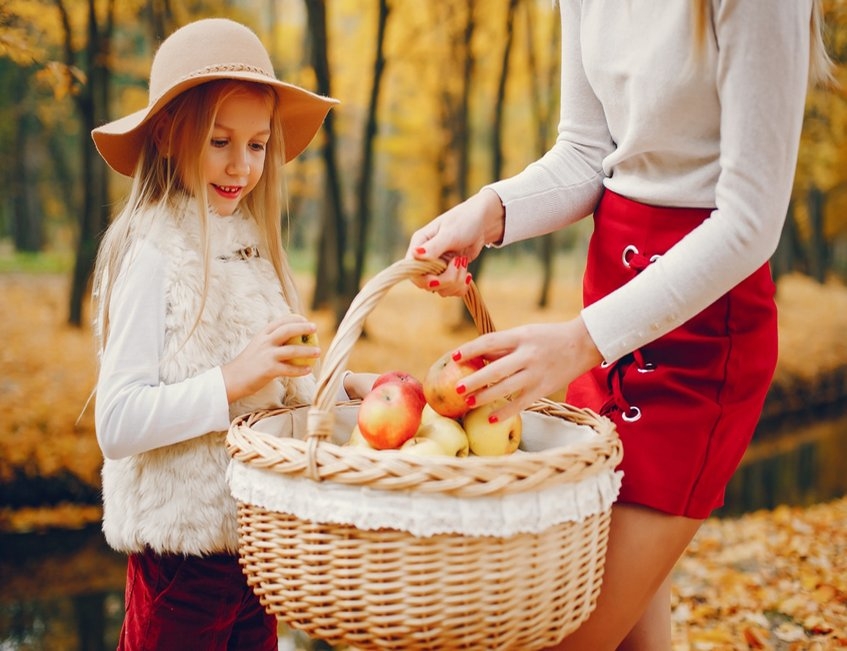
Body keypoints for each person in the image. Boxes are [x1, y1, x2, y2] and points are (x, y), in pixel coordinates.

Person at [406, 1, 833, 649]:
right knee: (631, 635)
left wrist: (580, 339)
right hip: (605, 314)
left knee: (556, 629)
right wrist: (488, 211)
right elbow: (586, 152)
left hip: (699, 343)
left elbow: (749, 220)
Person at [90, 18, 372, 650]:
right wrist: (234, 377)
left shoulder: (250, 244)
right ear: (166, 135)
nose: (240, 166)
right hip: (179, 562)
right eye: (220, 140)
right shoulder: (151, 252)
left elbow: (281, 382)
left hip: (255, 550)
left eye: (257, 144)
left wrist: (351, 387)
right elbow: (118, 421)